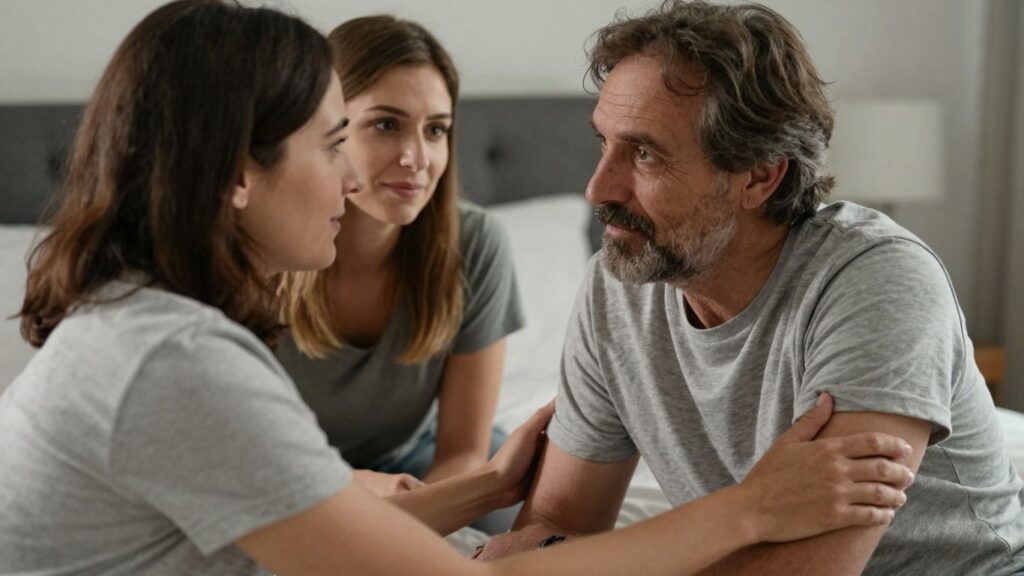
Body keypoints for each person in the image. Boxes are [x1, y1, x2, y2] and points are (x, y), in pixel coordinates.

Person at [0, 1, 915, 575]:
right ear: (239, 173)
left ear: (759, 176)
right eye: (336, 141)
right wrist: (749, 507)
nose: (357, 176)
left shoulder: (139, 324)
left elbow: (273, 522)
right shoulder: (180, 364)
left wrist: (480, 492)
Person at [476, 1, 1024, 575]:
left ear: (761, 176)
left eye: (644, 153)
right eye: (602, 143)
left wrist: (570, 561)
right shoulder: (619, 287)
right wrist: (558, 552)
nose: (597, 188)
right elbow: (552, 529)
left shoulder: (877, 282)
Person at [275, 17, 523, 531]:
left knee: (532, 526)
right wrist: (363, 494)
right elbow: (243, 457)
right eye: (386, 124)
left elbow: (463, 452)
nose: (417, 158)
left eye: (436, 130)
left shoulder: (474, 244)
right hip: (285, 477)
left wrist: (413, 511)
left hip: (417, 464)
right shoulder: (263, 249)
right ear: (323, 127)